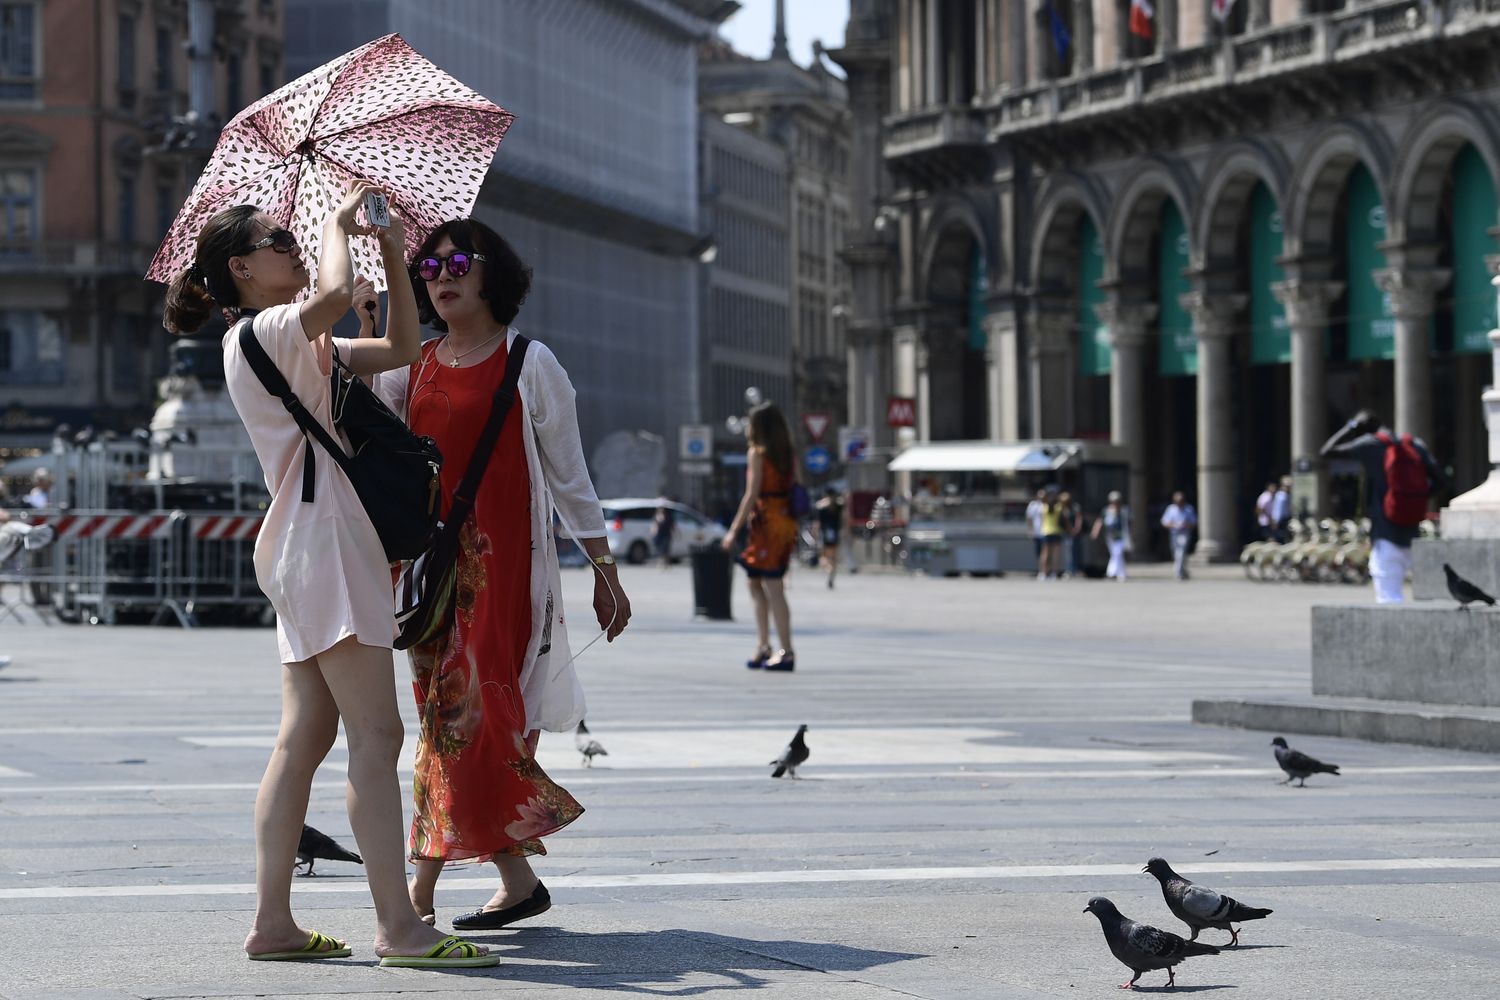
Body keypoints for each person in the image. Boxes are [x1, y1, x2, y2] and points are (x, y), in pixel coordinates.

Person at [162, 187, 494, 967]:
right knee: (376, 736)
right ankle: (400, 928)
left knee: (304, 737)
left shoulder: (294, 344)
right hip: (325, 540)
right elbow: (336, 295)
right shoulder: (263, 330)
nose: (291, 248)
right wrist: (337, 224)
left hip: (308, 542)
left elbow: (405, 350)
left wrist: (387, 259)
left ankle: (273, 923)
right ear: (242, 267)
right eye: (277, 241)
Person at [379, 218, 632, 932]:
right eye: (427, 267)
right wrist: (373, 317)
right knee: (449, 716)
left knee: (464, 715)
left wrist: (603, 569)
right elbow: (375, 446)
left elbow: (570, 475)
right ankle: (516, 878)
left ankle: (418, 895)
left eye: (458, 260)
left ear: (494, 273)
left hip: (502, 574)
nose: (441, 274)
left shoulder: (531, 362)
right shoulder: (413, 364)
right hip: (428, 576)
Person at [1320, 409, 1443, 604]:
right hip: (1414, 534)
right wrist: (1413, 501)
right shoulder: (1414, 445)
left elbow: (1326, 451)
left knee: (1389, 601)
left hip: (1385, 534)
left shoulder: (1371, 444)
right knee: (1427, 604)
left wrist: (1351, 426)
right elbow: (1440, 481)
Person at [720, 401, 798, 671]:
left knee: (771, 585)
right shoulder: (787, 453)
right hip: (784, 521)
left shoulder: (758, 453)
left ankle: (785, 650)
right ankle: (764, 645)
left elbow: (751, 495)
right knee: (756, 582)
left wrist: (733, 530)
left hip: (766, 523)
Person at [1091, 491, 1131, 581]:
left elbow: (1129, 522)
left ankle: (1111, 572)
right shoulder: (1106, 510)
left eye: (1117, 501)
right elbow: (1099, 521)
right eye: (1114, 501)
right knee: (1115, 554)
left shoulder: (1124, 510)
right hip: (1109, 535)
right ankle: (1121, 574)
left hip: (1121, 535)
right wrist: (1095, 531)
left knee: (1118, 553)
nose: (1115, 503)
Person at [1160, 491, 1198, 581]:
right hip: (1174, 534)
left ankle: (1178, 573)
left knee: (1180, 552)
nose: (1179, 502)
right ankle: (1184, 570)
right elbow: (1164, 522)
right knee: (1176, 553)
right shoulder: (1170, 509)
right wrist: (1173, 525)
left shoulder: (1189, 509)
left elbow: (1194, 522)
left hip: (1184, 533)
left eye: (1181, 500)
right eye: (1178, 500)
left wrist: (1186, 524)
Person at [815, 487, 844, 589]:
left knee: (823, 557)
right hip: (835, 533)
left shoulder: (822, 507)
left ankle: (829, 569)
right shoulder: (839, 506)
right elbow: (844, 519)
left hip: (825, 533)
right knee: (834, 558)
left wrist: (814, 535)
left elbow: (818, 523)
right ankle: (831, 576)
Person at [1038, 492, 1063, 580]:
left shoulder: (1044, 508)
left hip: (1046, 531)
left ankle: (1043, 573)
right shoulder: (1058, 508)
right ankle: (1054, 573)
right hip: (1056, 531)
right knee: (1055, 554)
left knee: (1045, 554)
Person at [1058, 490, 1082, 579]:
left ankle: (1074, 570)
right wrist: (1069, 529)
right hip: (1066, 533)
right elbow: (1064, 522)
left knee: (1074, 552)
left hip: (1074, 533)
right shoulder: (1062, 509)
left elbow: (1078, 518)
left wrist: (1076, 529)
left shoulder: (1075, 507)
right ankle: (1069, 570)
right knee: (1068, 552)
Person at [1024, 488, 1046, 574]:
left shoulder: (1047, 505)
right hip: (1037, 532)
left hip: (1046, 532)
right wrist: (1030, 530)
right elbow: (1029, 519)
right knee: (1038, 552)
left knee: (1046, 552)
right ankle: (1041, 570)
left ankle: (1046, 570)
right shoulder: (1033, 505)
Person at [652, 495, 676, 569]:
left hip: (666, 534)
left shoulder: (668, 515)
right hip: (659, 535)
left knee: (666, 549)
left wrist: (675, 532)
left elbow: (672, 525)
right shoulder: (657, 515)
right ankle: (661, 563)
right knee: (660, 550)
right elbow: (654, 524)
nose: (661, 509)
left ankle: (667, 564)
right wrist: (653, 532)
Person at [1270, 476, 1292, 541]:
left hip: (1286, 518)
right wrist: (1276, 521)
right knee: (1280, 537)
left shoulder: (1287, 495)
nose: (1288, 487)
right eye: (1287, 486)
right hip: (1281, 520)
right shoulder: (1281, 496)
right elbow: (1278, 509)